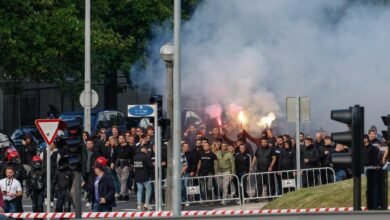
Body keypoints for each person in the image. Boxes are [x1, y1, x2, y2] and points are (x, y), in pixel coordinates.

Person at [133, 145, 153, 211]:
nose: (147, 152)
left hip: (137, 176)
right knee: (148, 189)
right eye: (147, 150)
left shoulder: (135, 157)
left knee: (139, 190)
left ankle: (139, 205)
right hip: (145, 176)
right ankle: (146, 203)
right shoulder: (146, 157)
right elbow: (150, 166)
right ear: (145, 150)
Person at [115, 134, 133, 201]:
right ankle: (126, 195)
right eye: (119, 138)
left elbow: (132, 156)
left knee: (123, 180)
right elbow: (114, 155)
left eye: (120, 138)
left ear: (124, 139)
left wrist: (132, 164)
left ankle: (121, 194)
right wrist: (112, 162)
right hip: (118, 165)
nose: (119, 139)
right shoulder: (117, 147)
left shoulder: (129, 147)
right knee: (121, 181)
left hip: (126, 164)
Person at [82, 139, 100, 208]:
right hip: (84, 171)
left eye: (90, 143)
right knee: (85, 185)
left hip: (92, 172)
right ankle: (88, 195)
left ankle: (89, 200)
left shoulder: (96, 152)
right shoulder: (84, 152)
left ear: (93, 144)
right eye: (88, 143)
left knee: (91, 186)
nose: (89, 145)